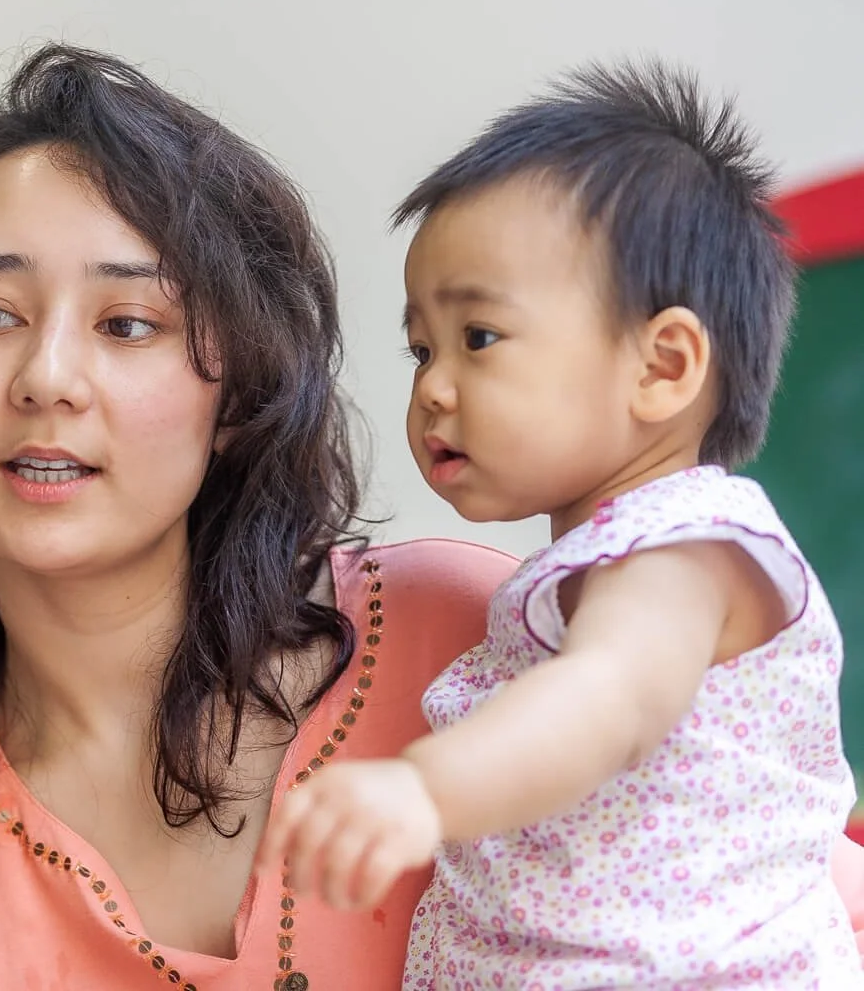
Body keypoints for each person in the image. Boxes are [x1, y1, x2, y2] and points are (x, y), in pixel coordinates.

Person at [0, 46, 864, 989]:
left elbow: (795, 889)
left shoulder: (478, 639)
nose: (47, 377)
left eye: (128, 322)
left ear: (236, 392)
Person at [257, 60, 864, 987]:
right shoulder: (604, 558)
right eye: (421, 348)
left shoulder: (684, 549)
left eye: (480, 338)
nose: (433, 387)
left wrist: (425, 788)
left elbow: (613, 696)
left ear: (662, 367)